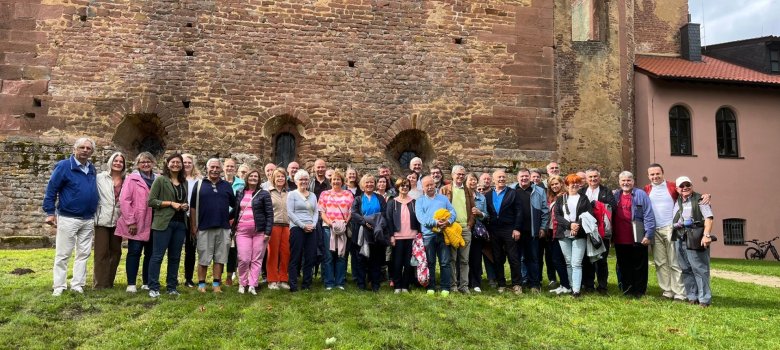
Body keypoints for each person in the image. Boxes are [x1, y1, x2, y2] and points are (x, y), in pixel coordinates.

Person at [44, 137, 99, 296]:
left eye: (88, 148)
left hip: (88, 218)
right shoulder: (64, 166)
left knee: (83, 253)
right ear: (74, 149)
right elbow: (51, 189)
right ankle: (59, 286)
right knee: (63, 253)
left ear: (92, 151)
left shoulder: (92, 168)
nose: (85, 150)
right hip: (68, 217)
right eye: (82, 147)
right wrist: (49, 212)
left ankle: (77, 284)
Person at [190, 158, 236, 293]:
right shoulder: (199, 185)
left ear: (221, 169)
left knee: (220, 258)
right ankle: (202, 285)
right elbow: (193, 207)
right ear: (207, 168)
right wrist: (193, 225)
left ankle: (216, 284)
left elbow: (235, 205)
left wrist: (229, 218)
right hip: (204, 227)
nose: (215, 170)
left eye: (217, 167)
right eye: (212, 167)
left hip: (223, 227)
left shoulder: (226, 186)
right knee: (204, 257)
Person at [147, 154, 190, 298]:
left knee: (175, 257)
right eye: (173, 162)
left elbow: (182, 200)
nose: (176, 164)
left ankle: (172, 286)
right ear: (167, 163)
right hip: (163, 223)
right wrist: (170, 203)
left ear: (182, 165)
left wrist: (184, 206)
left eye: (179, 162)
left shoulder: (184, 182)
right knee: (157, 256)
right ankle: (153, 287)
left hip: (180, 223)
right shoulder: (160, 180)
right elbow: (151, 201)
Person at [116, 152, 157, 293]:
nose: (145, 164)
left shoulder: (158, 179)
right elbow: (125, 200)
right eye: (142, 162)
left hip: (154, 222)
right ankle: (131, 283)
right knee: (134, 252)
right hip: (137, 222)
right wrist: (130, 221)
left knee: (150, 254)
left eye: (148, 161)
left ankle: (146, 282)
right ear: (138, 164)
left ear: (153, 163)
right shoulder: (131, 179)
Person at [644, 164, 685, 301]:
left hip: (670, 228)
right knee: (660, 262)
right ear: (648, 176)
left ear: (663, 173)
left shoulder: (673, 187)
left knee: (674, 261)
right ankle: (667, 291)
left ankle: (679, 292)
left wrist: (704, 196)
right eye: (652, 174)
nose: (655, 177)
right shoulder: (646, 189)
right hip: (654, 230)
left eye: (657, 174)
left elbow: (687, 193)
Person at [673, 176, 715, 307]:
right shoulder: (678, 200)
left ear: (692, 185)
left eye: (688, 184)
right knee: (685, 268)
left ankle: (704, 299)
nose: (685, 187)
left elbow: (709, 218)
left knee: (699, 268)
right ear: (677, 189)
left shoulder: (701, 199)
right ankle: (692, 296)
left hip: (696, 236)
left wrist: (706, 235)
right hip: (680, 236)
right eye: (682, 185)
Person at [612, 171, 655, 298]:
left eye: (628, 180)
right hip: (620, 237)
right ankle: (627, 289)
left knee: (639, 265)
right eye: (623, 181)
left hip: (638, 236)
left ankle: (640, 291)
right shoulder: (615, 195)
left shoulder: (641, 194)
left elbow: (648, 214)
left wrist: (648, 234)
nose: (626, 183)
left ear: (633, 181)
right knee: (624, 265)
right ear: (619, 182)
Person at [232, 169, 273, 295]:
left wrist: (268, 232)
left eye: (256, 176)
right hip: (242, 231)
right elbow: (235, 210)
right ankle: (242, 283)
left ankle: (252, 284)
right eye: (251, 176)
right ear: (247, 178)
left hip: (259, 231)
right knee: (243, 258)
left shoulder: (264, 194)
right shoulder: (240, 192)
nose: (253, 178)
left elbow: (270, 214)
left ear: (259, 179)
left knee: (257, 259)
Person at [485, 170, 524, 294]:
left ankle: (517, 284)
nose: (501, 179)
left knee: (513, 257)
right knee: (497, 257)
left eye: (503, 177)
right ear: (494, 180)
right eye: (499, 177)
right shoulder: (488, 195)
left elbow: (519, 212)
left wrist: (517, 228)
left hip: (509, 229)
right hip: (494, 230)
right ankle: (501, 283)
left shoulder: (513, 193)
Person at [416, 175, 456, 296]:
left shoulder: (443, 199)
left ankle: (445, 287)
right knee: (430, 262)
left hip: (444, 234)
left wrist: (448, 222)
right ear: (423, 188)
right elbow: (421, 217)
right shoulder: (420, 201)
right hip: (428, 236)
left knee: (445, 262)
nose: (429, 187)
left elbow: (453, 212)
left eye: (431, 184)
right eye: (426, 185)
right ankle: (431, 286)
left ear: (435, 185)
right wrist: (435, 223)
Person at [554, 174, 592, 297]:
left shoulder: (584, 198)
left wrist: (577, 226)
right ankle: (571, 286)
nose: (575, 185)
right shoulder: (561, 198)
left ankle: (576, 290)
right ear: (567, 185)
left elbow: (588, 214)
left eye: (577, 182)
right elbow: (557, 215)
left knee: (577, 262)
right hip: (563, 233)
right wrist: (570, 225)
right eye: (572, 183)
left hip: (579, 234)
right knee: (569, 262)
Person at [439, 165, 476, 294]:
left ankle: (464, 286)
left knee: (464, 260)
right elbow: (441, 208)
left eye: (462, 174)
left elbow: (473, 210)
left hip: (465, 228)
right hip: (451, 228)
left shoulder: (468, 191)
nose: (460, 176)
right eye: (458, 174)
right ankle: (453, 285)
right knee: (452, 259)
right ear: (452, 175)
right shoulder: (444, 190)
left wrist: (470, 225)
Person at [93, 151, 126, 289]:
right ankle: (100, 284)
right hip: (102, 219)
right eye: (115, 160)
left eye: (121, 161)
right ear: (111, 162)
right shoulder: (100, 178)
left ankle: (109, 282)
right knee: (101, 252)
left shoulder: (127, 180)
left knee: (116, 251)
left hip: (118, 220)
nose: (118, 163)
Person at [579, 167, 615, 294]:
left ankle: (602, 286)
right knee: (587, 259)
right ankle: (588, 285)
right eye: (590, 177)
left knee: (601, 260)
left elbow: (612, 207)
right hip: (586, 231)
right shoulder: (582, 191)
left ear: (599, 178)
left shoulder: (606, 191)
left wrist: (596, 205)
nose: (593, 179)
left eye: (595, 177)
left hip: (601, 231)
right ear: (586, 179)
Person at [350, 174, 388, 291]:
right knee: (361, 258)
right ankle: (361, 284)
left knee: (375, 259)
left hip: (376, 231)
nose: (369, 184)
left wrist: (376, 223)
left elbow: (384, 213)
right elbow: (354, 213)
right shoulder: (358, 199)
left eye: (371, 182)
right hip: (362, 231)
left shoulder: (379, 198)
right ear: (362, 185)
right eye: (367, 182)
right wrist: (364, 222)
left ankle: (375, 284)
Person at [317, 170, 354, 290]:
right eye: (334, 179)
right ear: (330, 181)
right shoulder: (324, 194)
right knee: (328, 256)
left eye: (338, 179)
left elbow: (351, 211)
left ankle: (340, 282)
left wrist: (344, 223)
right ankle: (329, 282)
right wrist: (331, 223)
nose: (336, 181)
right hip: (328, 228)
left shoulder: (348, 194)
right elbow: (322, 212)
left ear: (342, 181)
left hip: (343, 228)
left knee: (341, 255)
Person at [514, 168, 549, 293]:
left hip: (533, 231)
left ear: (530, 177)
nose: (524, 178)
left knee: (533, 258)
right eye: (521, 176)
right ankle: (519, 283)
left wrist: (543, 227)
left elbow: (545, 210)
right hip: (516, 232)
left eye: (526, 176)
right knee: (517, 259)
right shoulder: (511, 190)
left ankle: (535, 284)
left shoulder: (539, 191)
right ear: (517, 178)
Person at [286, 170, 319, 292]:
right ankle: (293, 284)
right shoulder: (292, 195)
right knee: (296, 256)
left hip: (312, 228)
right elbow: (290, 213)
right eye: (301, 179)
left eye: (306, 179)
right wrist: (302, 225)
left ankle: (307, 284)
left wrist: (313, 224)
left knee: (310, 257)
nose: (304, 181)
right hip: (297, 228)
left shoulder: (313, 195)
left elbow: (316, 212)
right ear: (296, 181)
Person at [386, 178, 419, 293]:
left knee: (408, 262)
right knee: (397, 262)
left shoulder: (414, 202)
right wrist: (391, 235)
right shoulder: (392, 202)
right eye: (402, 186)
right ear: (398, 187)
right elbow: (389, 220)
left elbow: (418, 219)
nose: (404, 188)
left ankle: (405, 285)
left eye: (406, 186)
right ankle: (397, 285)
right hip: (397, 237)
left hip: (412, 236)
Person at [545, 175, 571, 295]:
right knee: (556, 259)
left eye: (556, 184)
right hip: (551, 231)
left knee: (559, 259)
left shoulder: (565, 196)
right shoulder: (551, 197)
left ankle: (566, 285)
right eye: (552, 184)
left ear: (561, 184)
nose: (555, 186)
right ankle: (563, 284)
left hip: (560, 232)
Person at [267, 168, 291, 290]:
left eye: (282, 176)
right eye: (278, 177)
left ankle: (283, 279)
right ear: (273, 179)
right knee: (273, 253)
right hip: (274, 225)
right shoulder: (268, 192)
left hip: (287, 226)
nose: (280, 179)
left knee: (286, 253)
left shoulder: (289, 193)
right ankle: (272, 279)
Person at [223, 157, 245, 287]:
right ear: (223, 167)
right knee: (220, 248)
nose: (229, 168)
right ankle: (217, 274)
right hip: (220, 218)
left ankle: (229, 275)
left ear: (235, 168)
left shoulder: (241, 183)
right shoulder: (219, 182)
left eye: (232, 166)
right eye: (227, 166)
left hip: (235, 219)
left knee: (233, 249)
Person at [182, 154, 202, 287]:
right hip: (178, 215)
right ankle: (171, 278)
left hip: (193, 216)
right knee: (175, 249)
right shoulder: (176, 179)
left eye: (189, 162)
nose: (187, 164)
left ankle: (188, 278)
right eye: (184, 162)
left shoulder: (198, 180)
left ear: (193, 164)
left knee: (191, 248)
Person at [466, 173, 488, 292]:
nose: (473, 182)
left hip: (477, 231)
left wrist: (480, 213)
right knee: (464, 257)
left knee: (476, 257)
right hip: (464, 229)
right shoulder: (462, 195)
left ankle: (476, 283)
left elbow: (486, 215)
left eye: (474, 180)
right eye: (470, 180)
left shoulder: (481, 197)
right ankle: (464, 281)